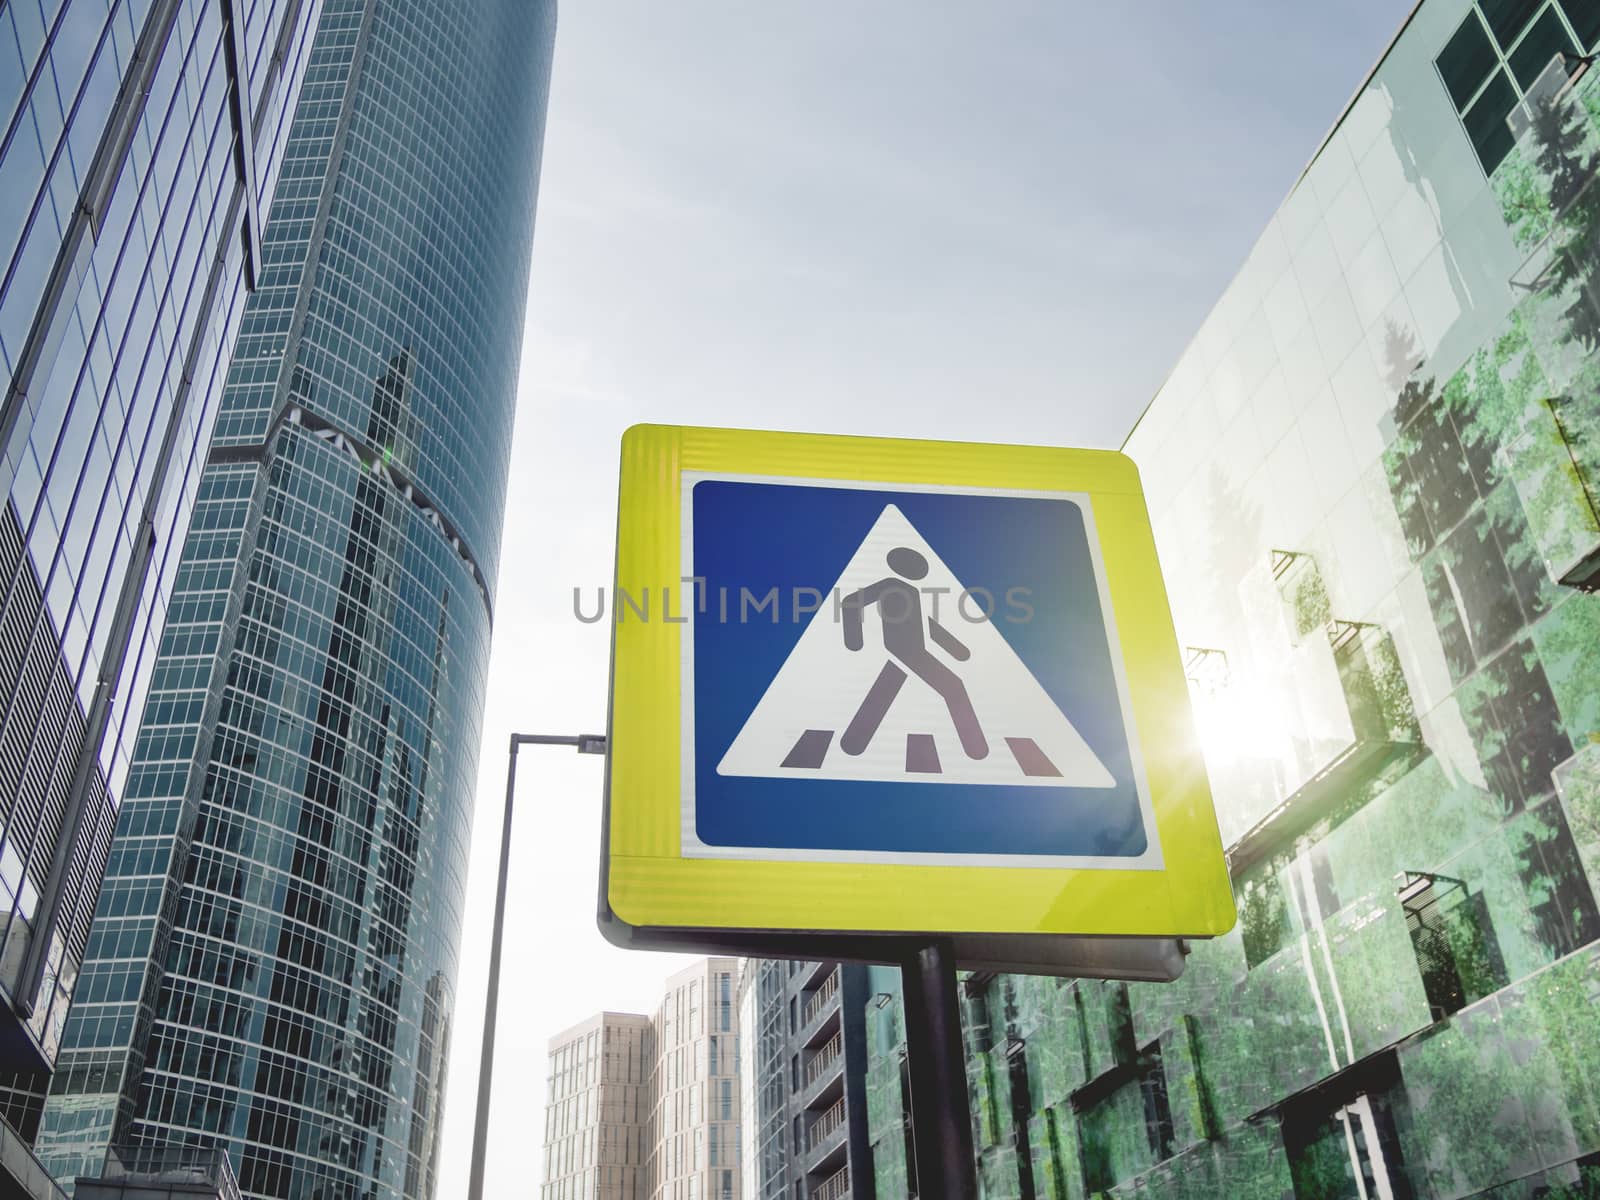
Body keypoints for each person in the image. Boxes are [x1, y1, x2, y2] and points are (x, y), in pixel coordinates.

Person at [840, 546, 988, 759]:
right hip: (904, 649)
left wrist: (958, 650)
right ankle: (976, 750)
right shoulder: (889, 585)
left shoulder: (911, 591)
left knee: (884, 690)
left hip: (912, 650)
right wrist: (854, 641)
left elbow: (927, 626)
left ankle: (853, 743)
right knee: (953, 686)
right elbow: (851, 603)